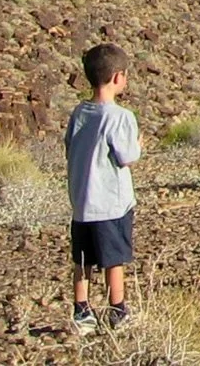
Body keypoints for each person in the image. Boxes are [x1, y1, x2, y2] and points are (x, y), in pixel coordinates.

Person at [65, 43, 140, 332]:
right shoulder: (120, 117)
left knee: (81, 259)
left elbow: (69, 147)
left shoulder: (79, 112)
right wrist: (138, 145)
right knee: (114, 259)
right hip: (111, 203)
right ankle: (117, 310)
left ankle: (81, 311)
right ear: (118, 77)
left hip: (82, 202)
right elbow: (127, 157)